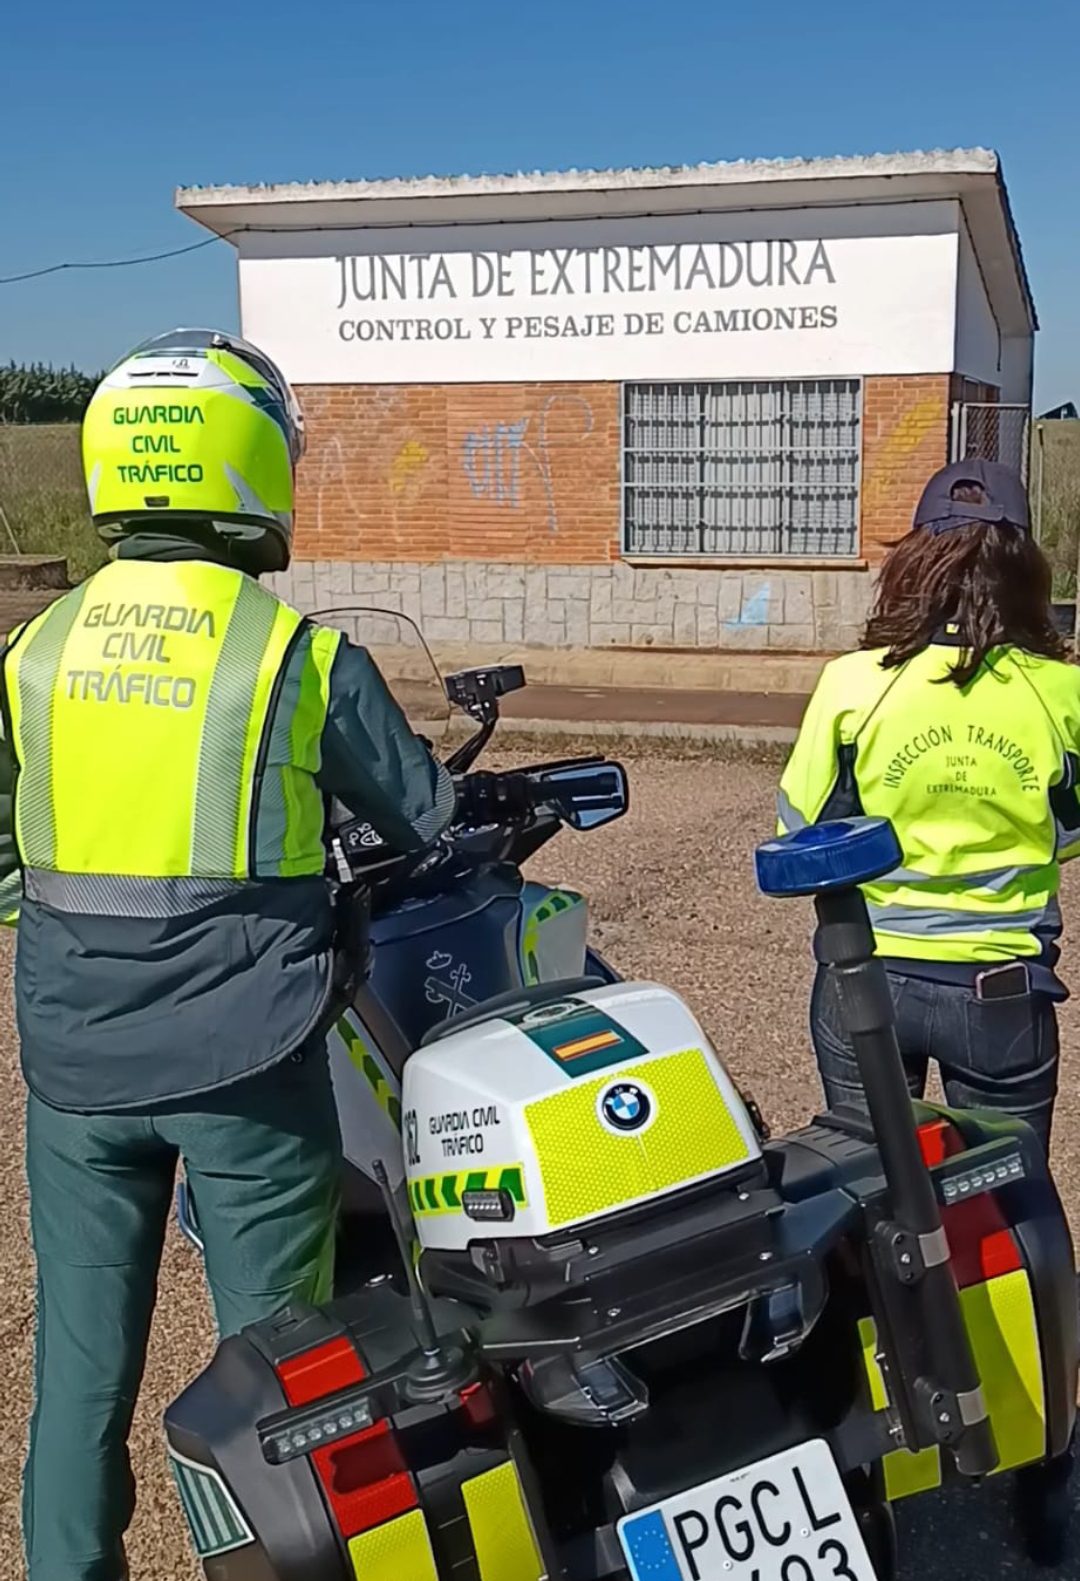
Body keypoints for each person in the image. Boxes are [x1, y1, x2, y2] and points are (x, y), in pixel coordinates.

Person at [2, 328, 454, 1581]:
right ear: (251, 464)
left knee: (81, 1378)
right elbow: (422, 814)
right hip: (250, 1068)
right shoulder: (292, 656)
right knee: (285, 1377)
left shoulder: (34, 655)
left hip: (76, 1070)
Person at [778, 458, 1080, 1154]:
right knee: (1007, 1198)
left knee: (880, 1194)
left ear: (913, 562)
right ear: (1025, 569)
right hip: (1002, 989)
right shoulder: (1059, 690)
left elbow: (802, 828)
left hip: (867, 974)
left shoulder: (853, 684)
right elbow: (1068, 828)